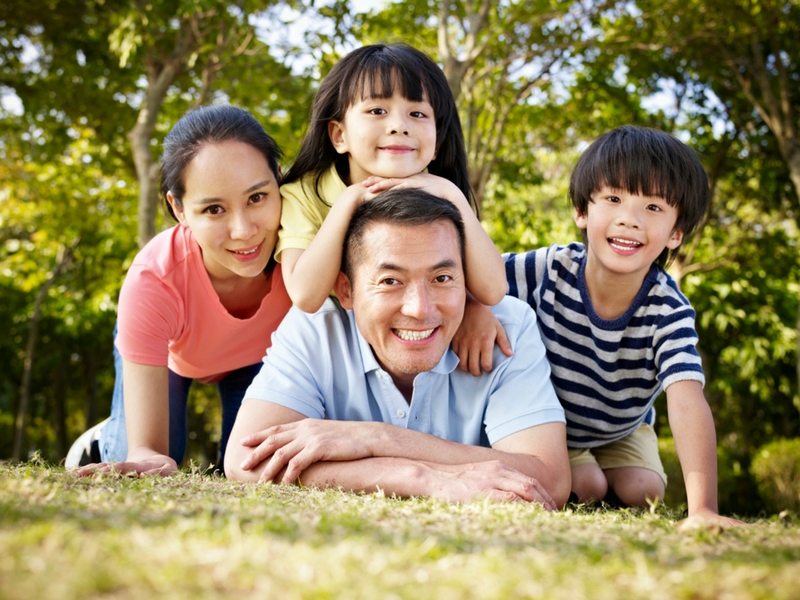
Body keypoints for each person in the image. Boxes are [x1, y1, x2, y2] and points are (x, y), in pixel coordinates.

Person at [225, 188, 570, 508]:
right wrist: (420, 478)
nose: (420, 309)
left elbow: (550, 479)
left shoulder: (506, 328)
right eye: (390, 281)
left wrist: (377, 439)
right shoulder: (314, 330)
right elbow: (246, 462)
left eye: (442, 278)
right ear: (345, 290)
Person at [498, 125, 742, 524]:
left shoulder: (668, 309)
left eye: (653, 208)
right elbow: (475, 279)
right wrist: (476, 309)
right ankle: (586, 471)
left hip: (621, 427)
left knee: (643, 492)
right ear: (582, 211)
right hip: (552, 424)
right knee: (586, 486)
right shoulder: (547, 269)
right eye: (613, 199)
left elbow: (685, 397)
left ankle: (617, 472)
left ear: (675, 233)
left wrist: (703, 510)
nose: (629, 220)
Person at [66, 105, 293, 476]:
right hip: (172, 357)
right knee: (153, 457)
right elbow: (148, 451)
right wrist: (145, 452)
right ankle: (103, 437)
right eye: (214, 209)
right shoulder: (154, 279)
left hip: (259, 359)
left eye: (257, 198)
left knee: (254, 465)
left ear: (279, 179)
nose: (244, 230)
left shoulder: (305, 253)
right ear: (179, 209)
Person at [276, 43, 508, 335]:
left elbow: (493, 290)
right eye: (377, 110)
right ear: (339, 135)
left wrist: (452, 195)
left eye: (418, 114)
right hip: (335, 337)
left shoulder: (441, 195)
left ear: (437, 144)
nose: (399, 125)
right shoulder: (304, 194)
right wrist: (350, 199)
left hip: (415, 328)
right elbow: (305, 296)